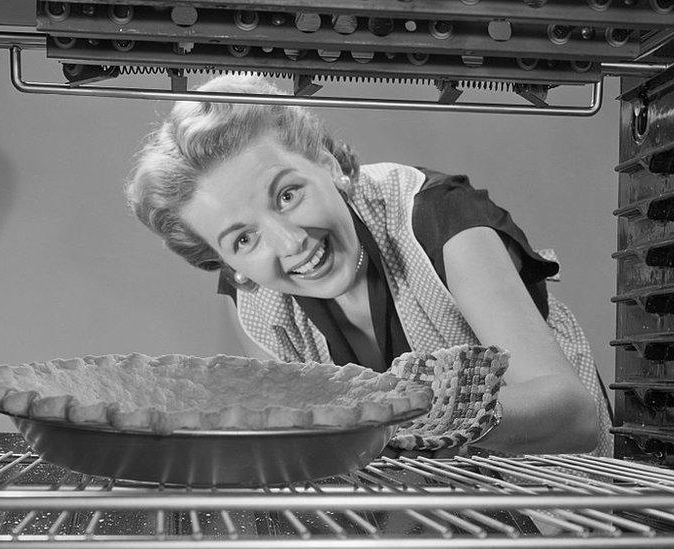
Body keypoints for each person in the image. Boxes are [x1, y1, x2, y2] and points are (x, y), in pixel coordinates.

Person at [126, 74, 612, 456]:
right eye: (245, 239)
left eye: (288, 194)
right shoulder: (254, 303)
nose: (291, 242)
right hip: (421, 515)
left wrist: (412, 418)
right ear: (227, 264)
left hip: (557, 500)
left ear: (327, 164)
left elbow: (573, 416)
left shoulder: (437, 217)